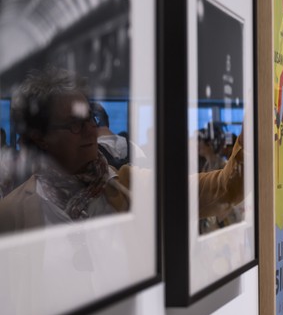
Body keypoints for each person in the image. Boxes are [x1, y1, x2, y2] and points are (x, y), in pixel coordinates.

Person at [0, 67, 244, 234]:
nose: (90, 131)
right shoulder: (13, 212)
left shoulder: (125, 185)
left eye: (90, 119)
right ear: (40, 137)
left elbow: (223, 189)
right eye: (75, 123)